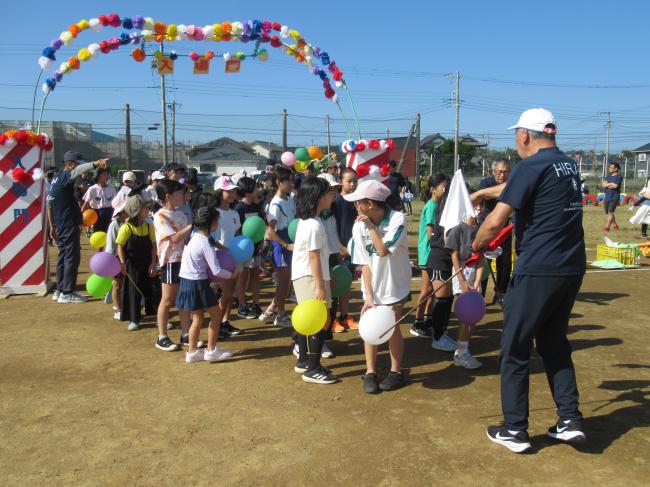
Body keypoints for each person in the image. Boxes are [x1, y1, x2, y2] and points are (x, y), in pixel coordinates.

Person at [475, 108, 586, 453]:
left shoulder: (530, 165)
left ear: (525, 135)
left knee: (514, 347)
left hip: (539, 267)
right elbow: (518, 190)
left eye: (516, 135)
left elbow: (495, 222)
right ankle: (569, 420)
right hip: (570, 267)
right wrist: (485, 193)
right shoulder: (566, 164)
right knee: (553, 343)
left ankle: (515, 429)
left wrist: (476, 244)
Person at [347, 180, 410, 394]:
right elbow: (364, 263)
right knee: (369, 329)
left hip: (394, 287)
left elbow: (383, 250)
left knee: (392, 329)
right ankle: (371, 372)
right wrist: (368, 296)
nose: (355, 205)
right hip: (372, 288)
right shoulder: (357, 226)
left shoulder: (397, 219)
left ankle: (396, 371)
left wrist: (372, 227)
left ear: (370, 204)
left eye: (358, 202)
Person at [291, 176, 338, 384]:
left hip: (307, 275)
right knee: (319, 320)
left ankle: (303, 360)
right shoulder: (314, 225)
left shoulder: (309, 221)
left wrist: (327, 278)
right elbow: (313, 256)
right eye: (328, 192)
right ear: (318, 197)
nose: (332, 195)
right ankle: (313, 368)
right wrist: (321, 284)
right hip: (310, 276)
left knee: (308, 319)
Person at [47, 151, 109, 304]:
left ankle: (60, 290)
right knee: (71, 257)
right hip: (68, 223)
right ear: (71, 164)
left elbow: (49, 202)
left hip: (61, 223)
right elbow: (77, 172)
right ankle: (67, 292)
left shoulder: (55, 180)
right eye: (79, 165)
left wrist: (52, 225)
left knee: (63, 256)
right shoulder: (65, 176)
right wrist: (95, 163)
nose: (83, 171)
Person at [176, 206, 235, 363]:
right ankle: (211, 350)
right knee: (216, 314)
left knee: (197, 318)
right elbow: (216, 270)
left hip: (186, 282)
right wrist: (233, 274)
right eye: (216, 220)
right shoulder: (205, 243)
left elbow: (213, 242)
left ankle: (192, 352)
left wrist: (225, 248)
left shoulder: (195, 236)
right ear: (210, 223)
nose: (218, 222)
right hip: (198, 283)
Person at [153, 179, 193, 351]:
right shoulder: (160, 216)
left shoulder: (181, 214)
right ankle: (162, 336)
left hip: (184, 260)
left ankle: (186, 334)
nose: (183, 195)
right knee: (167, 300)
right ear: (168, 196)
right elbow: (175, 238)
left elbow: (185, 239)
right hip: (170, 261)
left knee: (184, 299)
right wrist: (192, 226)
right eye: (179, 193)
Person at [445, 199, 485, 369]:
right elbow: (454, 256)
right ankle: (461, 353)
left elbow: (481, 258)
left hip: (474, 274)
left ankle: (465, 348)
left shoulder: (481, 229)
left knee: (474, 316)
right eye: (475, 205)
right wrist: (461, 280)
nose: (478, 209)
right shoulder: (457, 229)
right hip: (460, 272)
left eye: (481, 205)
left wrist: (477, 281)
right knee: (465, 314)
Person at [411, 174, 449, 339]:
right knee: (427, 289)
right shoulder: (432, 205)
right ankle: (417, 322)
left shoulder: (436, 204)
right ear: (433, 189)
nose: (445, 190)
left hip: (430, 252)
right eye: (443, 187)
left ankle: (427, 320)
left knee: (433, 290)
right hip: (428, 253)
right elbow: (430, 233)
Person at [260, 165, 295, 327]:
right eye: (287, 180)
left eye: (291, 180)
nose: (291, 183)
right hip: (281, 246)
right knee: (283, 282)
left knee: (286, 282)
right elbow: (270, 230)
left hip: (290, 243)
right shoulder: (275, 204)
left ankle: (271, 310)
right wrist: (285, 245)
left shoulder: (290, 198)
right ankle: (280, 314)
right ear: (278, 182)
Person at [116, 195, 158, 331]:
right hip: (132, 265)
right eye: (145, 208)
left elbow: (153, 246)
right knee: (133, 292)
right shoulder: (126, 227)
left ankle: (157, 316)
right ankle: (134, 319)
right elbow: (120, 247)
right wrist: (122, 263)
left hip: (147, 264)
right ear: (137, 210)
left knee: (153, 290)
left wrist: (153, 263)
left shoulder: (148, 226)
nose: (147, 210)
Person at [213, 176, 243, 337]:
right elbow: (213, 239)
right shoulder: (215, 214)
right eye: (228, 190)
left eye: (233, 190)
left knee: (230, 293)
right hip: (220, 257)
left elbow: (237, 234)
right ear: (219, 193)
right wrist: (226, 250)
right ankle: (217, 324)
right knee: (225, 294)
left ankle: (224, 322)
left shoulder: (234, 213)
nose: (232, 193)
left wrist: (238, 250)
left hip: (233, 257)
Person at [478, 159, 512, 302]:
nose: (502, 175)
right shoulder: (485, 183)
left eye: (505, 172)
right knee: (483, 262)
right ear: (493, 172)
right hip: (486, 228)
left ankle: (501, 292)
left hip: (504, 227)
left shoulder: (512, 183)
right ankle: (480, 293)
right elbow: (482, 194)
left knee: (504, 261)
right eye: (499, 172)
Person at [332, 167, 359, 333]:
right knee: (335, 286)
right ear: (340, 181)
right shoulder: (336, 202)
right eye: (349, 181)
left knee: (346, 284)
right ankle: (333, 319)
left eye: (355, 181)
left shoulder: (358, 201)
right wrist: (340, 248)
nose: (353, 184)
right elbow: (332, 228)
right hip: (340, 250)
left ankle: (345, 316)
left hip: (353, 250)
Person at [234, 176, 265, 319]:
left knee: (255, 275)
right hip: (243, 248)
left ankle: (256, 303)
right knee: (243, 276)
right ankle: (242, 305)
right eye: (254, 189)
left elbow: (261, 226)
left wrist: (260, 242)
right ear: (247, 192)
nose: (257, 191)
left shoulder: (257, 207)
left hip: (256, 247)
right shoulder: (239, 209)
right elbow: (237, 230)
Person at [105, 193, 128, 320]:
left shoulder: (129, 223)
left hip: (126, 258)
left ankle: (123, 307)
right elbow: (110, 246)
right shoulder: (114, 225)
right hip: (116, 259)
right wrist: (113, 262)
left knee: (124, 285)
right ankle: (118, 309)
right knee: (117, 285)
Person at [81, 167, 117, 234]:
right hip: (97, 214)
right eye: (104, 174)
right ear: (98, 176)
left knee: (108, 233)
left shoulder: (111, 188)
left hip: (109, 213)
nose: (107, 176)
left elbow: (116, 202)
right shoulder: (92, 189)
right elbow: (86, 202)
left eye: (107, 174)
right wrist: (80, 214)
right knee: (98, 233)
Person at [602, 162, 623, 232]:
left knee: (610, 211)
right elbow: (603, 185)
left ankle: (606, 227)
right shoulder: (608, 176)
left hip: (614, 197)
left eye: (611, 167)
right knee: (608, 212)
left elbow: (615, 186)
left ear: (616, 169)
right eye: (609, 167)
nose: (609, 169)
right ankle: (615, 225)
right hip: (607, 196)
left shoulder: (619, 177)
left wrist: (608, 184)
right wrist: (610, 184)